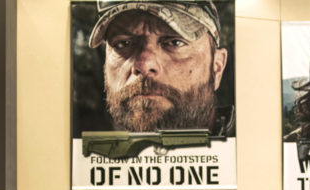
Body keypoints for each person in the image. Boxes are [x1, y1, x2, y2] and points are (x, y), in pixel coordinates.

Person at [88, 0, 234, 136]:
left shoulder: (246, 149)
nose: (144, 64)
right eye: (123, 44)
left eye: (175, 43)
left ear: (217, 67)